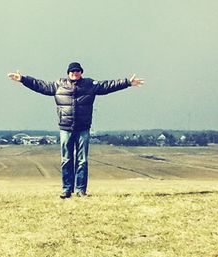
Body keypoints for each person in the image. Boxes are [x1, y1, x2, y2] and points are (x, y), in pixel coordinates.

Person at [8, 62, 144, 199]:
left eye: (77, 71)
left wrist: (127, 82)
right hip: (65, 128)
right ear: (68, 73)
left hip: (83, 128)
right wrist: (23, 79)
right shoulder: (59, 85)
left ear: (81, 72)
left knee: (82, 160)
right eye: (72, 71)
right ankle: (66, 190)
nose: (75, 73)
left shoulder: (90, 85)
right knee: (66, 159)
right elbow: (40, 85)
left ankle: (80, 190)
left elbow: (108, 85)